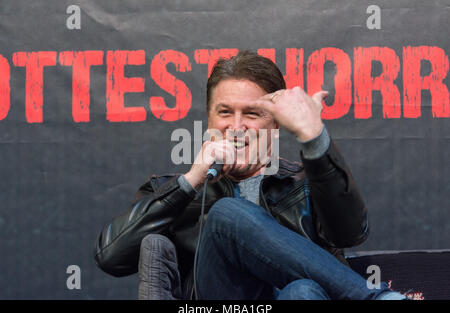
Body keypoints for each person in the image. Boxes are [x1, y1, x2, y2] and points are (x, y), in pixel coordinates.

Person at [94, 50, 405, 300]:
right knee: (227, 213)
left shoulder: (306, 186)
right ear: (209, 118)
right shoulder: (173, 190)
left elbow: (351, 233)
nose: (237, 125)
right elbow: (111, 257)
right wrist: (190, 182)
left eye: (252, 114)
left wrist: (314, 139)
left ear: (275, 125)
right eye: (225, 112)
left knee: (303, 291)